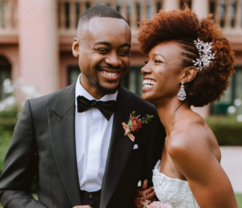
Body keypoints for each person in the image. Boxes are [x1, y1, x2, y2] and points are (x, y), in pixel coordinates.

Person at [0, 5, 165, 208]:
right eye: (102, 50)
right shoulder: (38, 112)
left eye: (123, 51)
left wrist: (144, 201)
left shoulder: (147, 115)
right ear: (76, 47)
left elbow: (155, 190)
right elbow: (10, 190)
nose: (115, 61)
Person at [136, 7, 238, 208]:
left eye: (157, 61)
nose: (145, 68)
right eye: (147, 61)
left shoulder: (185, 140)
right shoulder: (170, 131)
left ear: (186, 75)